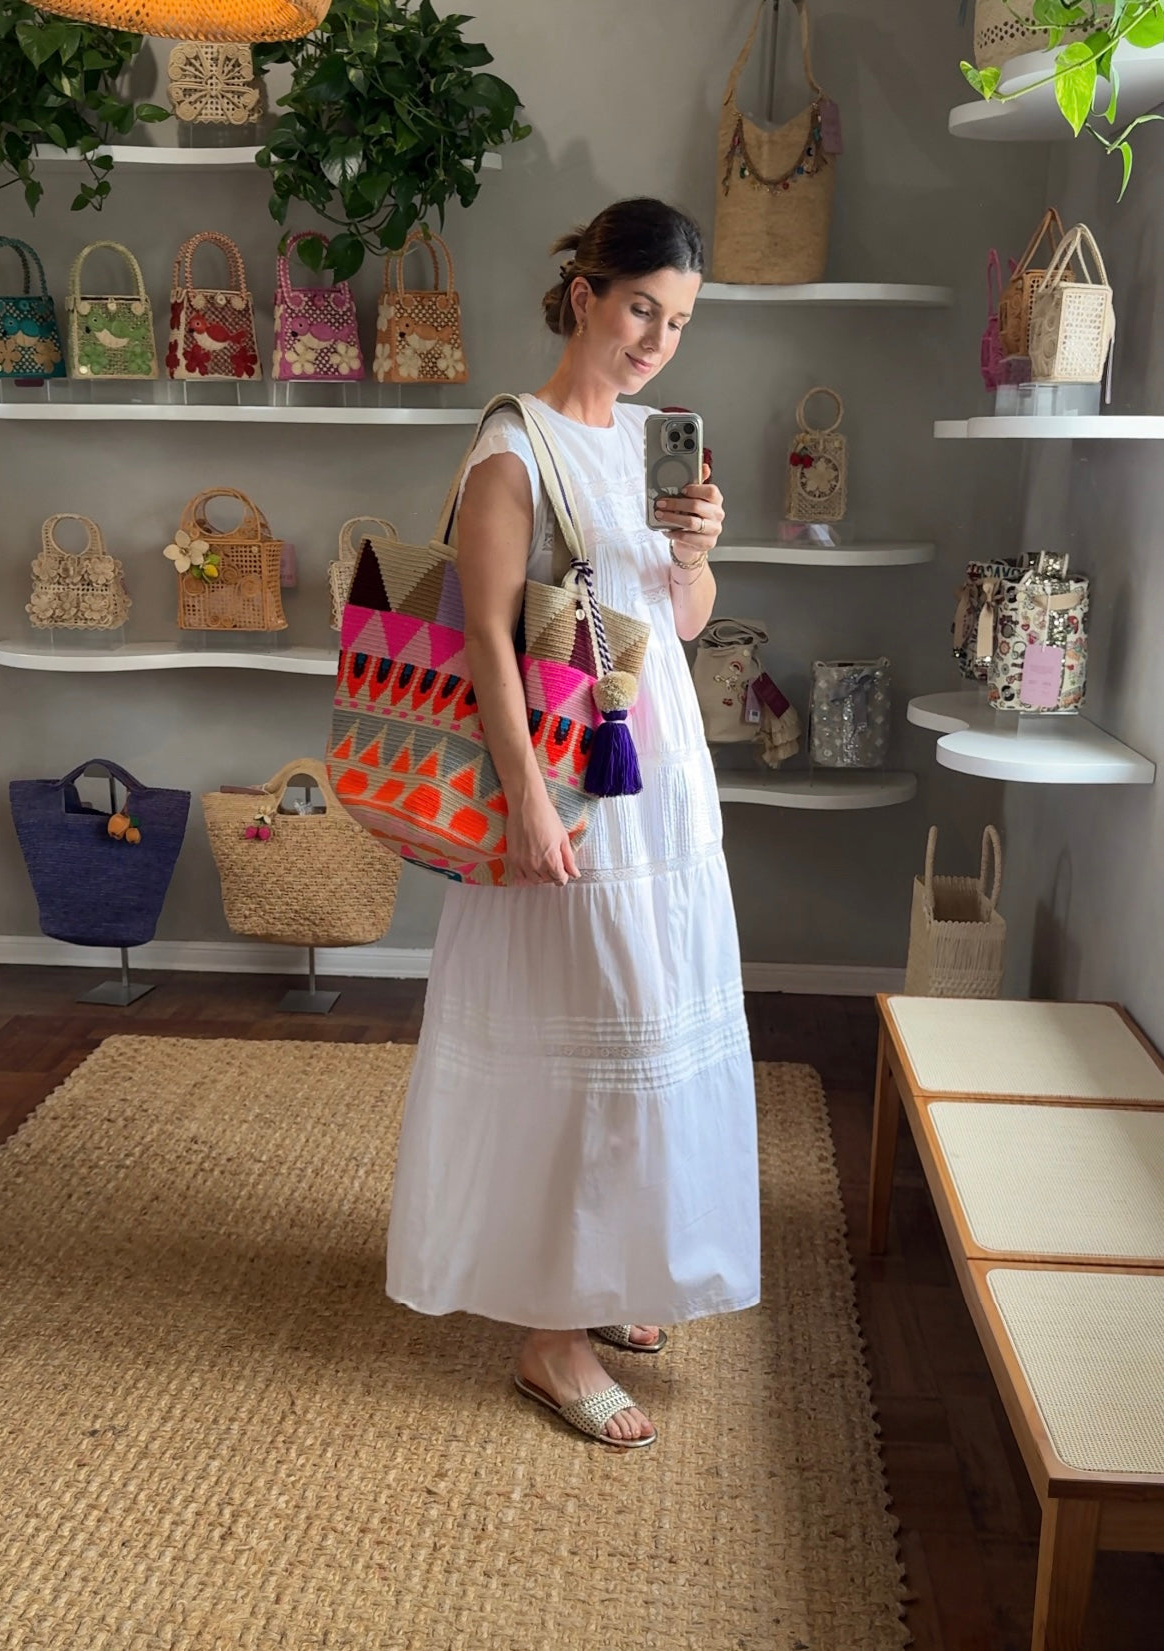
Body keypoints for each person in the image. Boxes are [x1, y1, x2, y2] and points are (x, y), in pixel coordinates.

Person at [386, 197, 761, 1448]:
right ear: (586, 293)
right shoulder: (513, 447)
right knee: (587, 1043)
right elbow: (486, 644)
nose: (657, 340)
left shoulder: (658, 441)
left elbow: (683, 625)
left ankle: (602, 1276)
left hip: (659, 775)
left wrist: (696, 553)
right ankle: (549, 1337)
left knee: (648, 1031)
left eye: (680, 321)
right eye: (642, 308)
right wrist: (529, 801)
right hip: (570, 789)